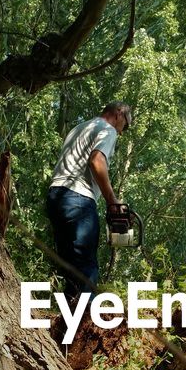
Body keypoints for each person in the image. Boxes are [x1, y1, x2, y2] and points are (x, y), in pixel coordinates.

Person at [46, 101, 132, 301]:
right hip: (78, 198)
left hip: (56, 197)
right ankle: (87, 322)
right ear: (119, 114)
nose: (122, 132)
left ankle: (70, 324)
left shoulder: (79, 128)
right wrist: (112, 200)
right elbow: (96, 161)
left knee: (70, 267)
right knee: (85, 265)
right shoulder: (107, 130)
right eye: (125, 126)